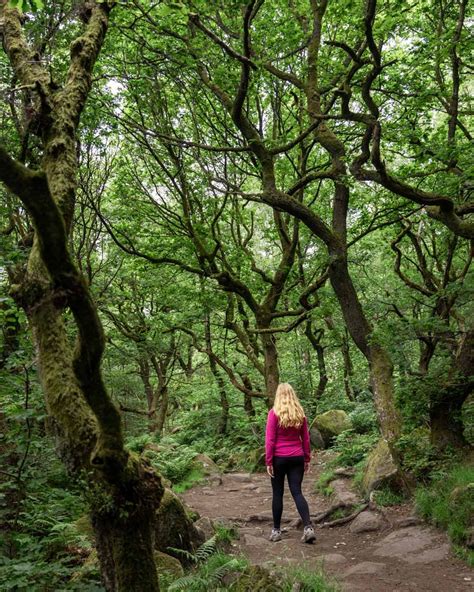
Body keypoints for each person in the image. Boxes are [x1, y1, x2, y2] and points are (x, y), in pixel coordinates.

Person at [265, 382, 315, 543]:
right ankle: (308, 527)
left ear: (278, 396)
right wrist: (307, 458)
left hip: (279, 458)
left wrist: (269, 461)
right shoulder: (300, 414)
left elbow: (270, 440)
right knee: (297, 492)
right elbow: (306, 439)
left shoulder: (274, 413)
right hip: (297, 457)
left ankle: (276, 531)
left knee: (277, 493)